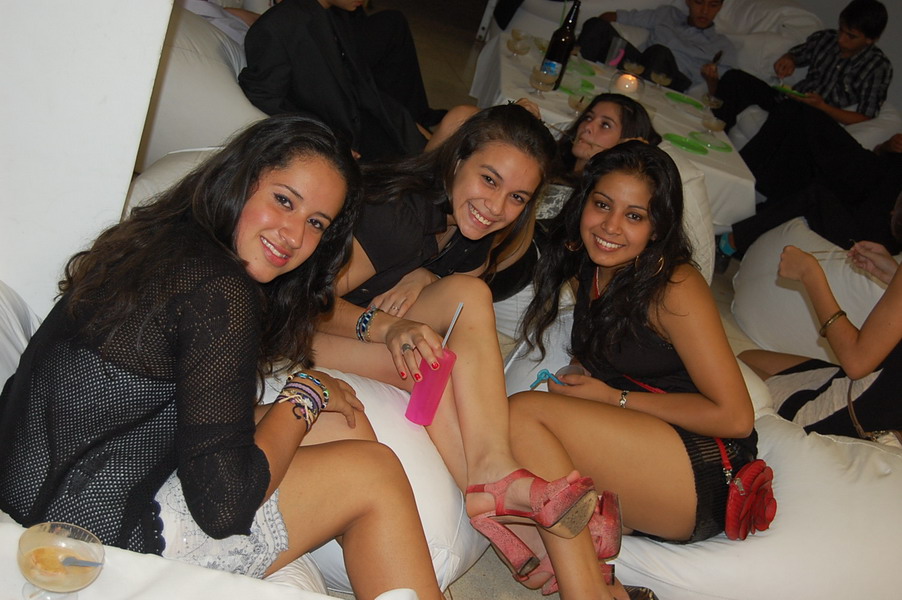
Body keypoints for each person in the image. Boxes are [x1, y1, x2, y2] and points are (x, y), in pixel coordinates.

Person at [0, 116, 446, 600]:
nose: (294, 235)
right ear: (243, 180)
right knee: (374, 472)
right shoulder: (220, 291)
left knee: (340, 423)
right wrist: (306, 393)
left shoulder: (167, 240)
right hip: (91, 538)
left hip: (48, 482)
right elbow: (224, 506)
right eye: (284, 200)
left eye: (316, 222)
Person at [313, 103, 626, 598]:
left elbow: (459, 292)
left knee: (466, 305)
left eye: (517, 197)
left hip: (367, 326)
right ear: (458, 159)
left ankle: (496, 481)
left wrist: (426, 276)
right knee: (434, 362)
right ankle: (512, 517)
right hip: (300, 331)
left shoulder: (474, 235)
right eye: (489, 179)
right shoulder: (397, 214)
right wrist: (386, 326)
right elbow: (307, 304)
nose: (496, 207)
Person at [510, 142, 758, 558]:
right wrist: (580, 370)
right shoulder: (593, 264)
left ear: (657, 228)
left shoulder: (675, 288)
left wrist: (614, 399)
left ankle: (583, 576)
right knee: (511, 443)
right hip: (644, 444)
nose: (610, 226)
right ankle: (584, 535)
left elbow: (736, 417)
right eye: (602, 205)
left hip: (704, 467)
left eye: (634, 216)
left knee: (521, 414)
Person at [738, 198, 902, 440]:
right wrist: (893, 274)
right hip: (874, 392)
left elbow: (856, 362)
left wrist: (810, 275)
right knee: (748, 357)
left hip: (857, 413)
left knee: (731, 373)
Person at [239, 0, 458, 162]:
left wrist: (407, 123)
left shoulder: (339, 15)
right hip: (346, 142)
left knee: (458, 128)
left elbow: (362, 87)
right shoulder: (277, 27)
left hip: (371, 124)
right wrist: (324, 139)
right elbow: (263, 97)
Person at [714, 100, 902, 264]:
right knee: (799, 113)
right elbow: (880, 157)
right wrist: (887, 147)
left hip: (878, 226)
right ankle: (734, 184)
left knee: (816, 192)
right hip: (869, 178)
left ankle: (729, 242)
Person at [712, 0, 891, 130]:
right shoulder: (826, 39)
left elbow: (864, 117)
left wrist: (823, 107)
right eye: (841, 30)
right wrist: (789, 59)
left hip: (817, 117)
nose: (841, 39)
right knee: (735, 79)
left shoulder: (877, 67)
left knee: (789, 115)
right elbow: (797, 54)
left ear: (871, 39)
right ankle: (713, 131)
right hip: (788, 99)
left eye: (850, 36)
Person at [578, 0, 735, 93]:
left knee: (660, 53)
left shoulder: (722, 45)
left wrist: (711, 79)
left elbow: (717, 94)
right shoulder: (667, 14)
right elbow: (613, 16)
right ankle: (575, 78)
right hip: (640, 65)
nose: (705, 11)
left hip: (672, 81)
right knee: (596, 25)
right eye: (699, 2)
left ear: (720, 7)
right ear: (688, 1)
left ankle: (633, 106)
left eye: (713, 5)